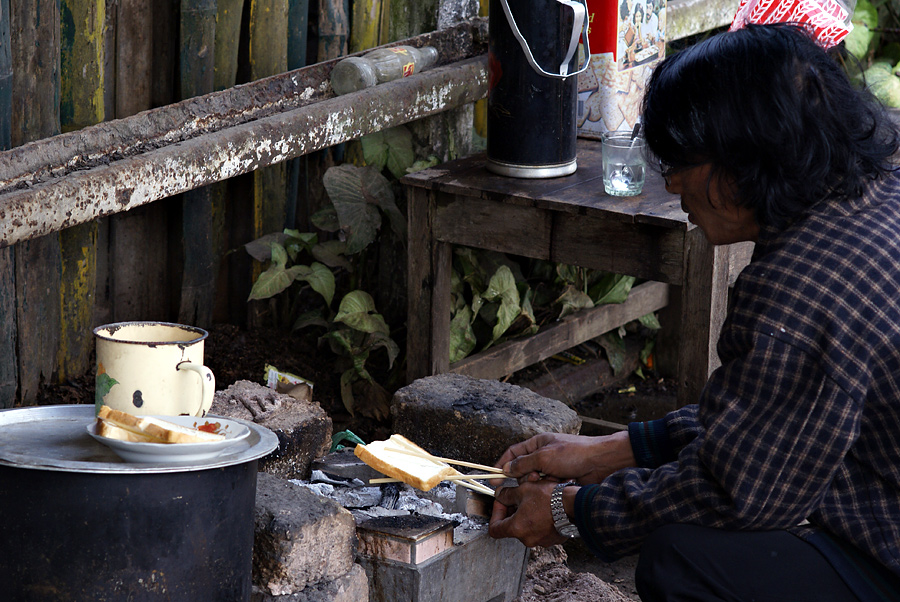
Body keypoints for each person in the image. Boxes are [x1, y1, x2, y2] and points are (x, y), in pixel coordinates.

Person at [489, 23, 900, 602]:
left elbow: (735, 490)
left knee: (682, 559)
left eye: (683, 159)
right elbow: (769, 412)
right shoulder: (871, 190)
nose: (673, 181)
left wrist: (569, 508)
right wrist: (616, 450)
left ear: (743, 158)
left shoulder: (801, 287)